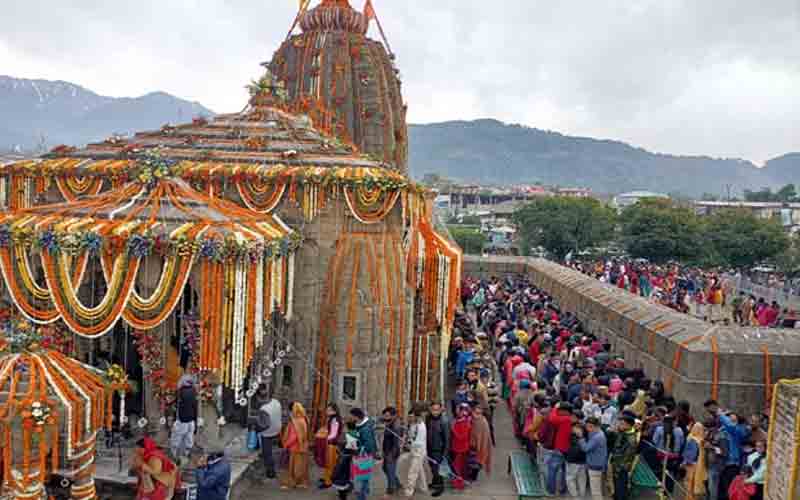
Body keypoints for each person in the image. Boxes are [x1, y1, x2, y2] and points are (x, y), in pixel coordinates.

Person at [280, 402, 310, 490]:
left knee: (292, 467)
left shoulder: (295, 421)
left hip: (294, 447)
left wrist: (285, 445)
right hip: (303, 446)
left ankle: (292, 482)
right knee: (301, 466)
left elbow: (293, 436)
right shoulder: (304, 419)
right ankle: (302, 482)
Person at [251, 393, 281, 480]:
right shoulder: (276, 402)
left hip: (268, 432)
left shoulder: (264, 409)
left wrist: (255, 428)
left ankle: (271, 471)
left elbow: (264, 425)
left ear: (260, 398)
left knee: (267, 452)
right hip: (277, 428)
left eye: (258, 400)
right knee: (271, 448)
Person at [350, 407, 378, 500]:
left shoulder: (365, 428)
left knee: (363, 476)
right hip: (363, 454)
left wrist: (359, 449)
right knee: (363, 474)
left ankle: (362, 496)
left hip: (364, 454)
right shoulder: (360, 425)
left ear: (356, 417)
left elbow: (368, 444)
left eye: (351, 416)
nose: (350, 417)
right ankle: (365, 491)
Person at [578, 417, 607, 500]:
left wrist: (581, 438)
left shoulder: (597, 437)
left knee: (595, 491)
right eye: (587, 426)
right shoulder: (599, 432)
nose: (588, 429)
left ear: (597, 426)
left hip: (595, 466)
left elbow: (585, 448)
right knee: (597, 488)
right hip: (598, 464)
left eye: (590, 426)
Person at [609, 415, 638, 500]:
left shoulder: (631, 440)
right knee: (618, 487)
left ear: (629, 425)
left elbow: (627, 457)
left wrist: (618, 468)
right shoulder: (624, 432)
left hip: (621, 468)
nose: (619, 425)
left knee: (620, 488)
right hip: (617, 465)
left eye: (622, 424)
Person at [402, 409, 428, 498]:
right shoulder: (411, 424)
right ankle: (423, 487)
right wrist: (406, 441)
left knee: (412, 471)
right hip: (413, 450)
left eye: (411, 417)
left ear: (416, 417)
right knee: (419, 470)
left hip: (419, 452)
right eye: (409, 416)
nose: (409, 418)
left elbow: (419, 442)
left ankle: (409, 491)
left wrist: (410, 444)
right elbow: (409, 436)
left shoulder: (421, 426)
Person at [171, 375, 197, 464]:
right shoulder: (193, 391)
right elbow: (195, 406)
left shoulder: (180, 391)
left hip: (181, 419)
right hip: (191, 419)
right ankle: (186, 454)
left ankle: (175, 455)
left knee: (177, 437)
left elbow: (175, 405)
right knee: (189, 438)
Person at [426, 402, 450, 497]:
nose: (435, 412)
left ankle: (440, 487)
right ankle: (435, 482)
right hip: (430, 448)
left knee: (438, 470)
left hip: (439, 450)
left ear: (441, 410)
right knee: (432, 467)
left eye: (437, 410)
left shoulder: (444, 421)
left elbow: (447, 438)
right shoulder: (428, 419)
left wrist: (445, 453)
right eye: (433, 409)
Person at [380, 407, 403, 497]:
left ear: (393, 416)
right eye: (384, 415)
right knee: (385, 469)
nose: (385, 417)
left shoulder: (396, 426)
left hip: (392, 452)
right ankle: (397, 483)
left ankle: (390, 490)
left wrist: (391, 455)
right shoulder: (389, 422)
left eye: (387, 415)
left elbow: (396, 442)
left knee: (389, 470)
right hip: (387, 451)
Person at [681, 422, 707, 500]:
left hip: (691, 465)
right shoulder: (701, 439)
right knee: (694, 484)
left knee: (689, 484)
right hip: (699, 465)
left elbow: (691, 454)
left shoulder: (693, 439)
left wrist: (684, 462)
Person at [450, 403, 473, 490]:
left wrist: (453, 429)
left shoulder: (465, 423)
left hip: (461, 449)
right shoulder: (462, 421)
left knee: (458, 467)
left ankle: (459, 483)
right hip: (458, 448)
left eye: (458, 410)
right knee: (458, 466)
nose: (456, 411)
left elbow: (462, 436)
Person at [320, 404, 343, 489]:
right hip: (331, 443)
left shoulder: (335, 419)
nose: (327, 411)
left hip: (331, 444)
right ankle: (326, 477)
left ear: (334, 411)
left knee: (330, 463)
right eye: (327, 409)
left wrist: (324, 439)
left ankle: (328, 482)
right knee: (329, 462)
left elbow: (334, 434)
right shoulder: (333, 418)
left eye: (329, 410)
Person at [470, 404, 493, 480]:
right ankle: (472, 475)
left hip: (479, 447)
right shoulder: (470, 419)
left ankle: (474, 476)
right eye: (475, 412)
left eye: (478, 413)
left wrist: (482, 445)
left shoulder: (483, 422)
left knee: (477, 462)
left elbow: (486, 436)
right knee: (473, 461)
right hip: (471, 446)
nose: (476, 415)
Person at [564, 422, 587, 498]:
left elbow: (570, 449)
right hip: (582, 461)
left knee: (570, 479)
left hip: (573, 461)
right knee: (582, 479)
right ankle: (581, 496)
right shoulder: (586, 437)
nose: (573, 429)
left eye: (575, 428)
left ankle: (576, 496)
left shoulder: (574, 437)